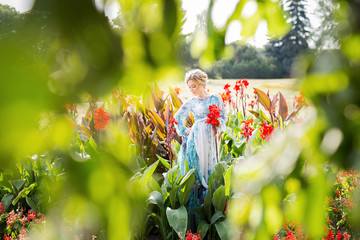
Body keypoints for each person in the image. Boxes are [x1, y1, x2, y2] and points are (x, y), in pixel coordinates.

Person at [174, 69, 227, 207]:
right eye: (190, 86)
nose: (191, 89)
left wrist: (218, 123)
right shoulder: (191, 102)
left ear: (202, 83)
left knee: (210, 167)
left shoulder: (216, 98)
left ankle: (211, 205)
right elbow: (177, 117)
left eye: (194, 86)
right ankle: (197, 208)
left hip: (210, 138)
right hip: (196, 139)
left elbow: (223, 117)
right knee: (197, 169)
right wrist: (185, 130)